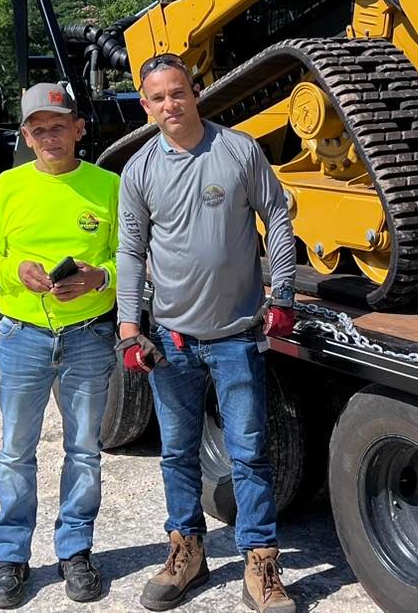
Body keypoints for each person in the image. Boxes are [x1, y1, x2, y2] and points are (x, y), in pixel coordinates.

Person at [116, 53, 298, 613]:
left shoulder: (237, 151)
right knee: (176, 453)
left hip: (238, 334)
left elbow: (279, 216)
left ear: (195, 92)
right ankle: (186, 550)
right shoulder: (140, 170)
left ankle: (260, 564)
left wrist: (283, 295)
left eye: (178, 92)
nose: (170, 105)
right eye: (157, 98)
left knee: (249, 454)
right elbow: (129, 250)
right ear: (145, 106)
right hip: (170, 343)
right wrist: (128, 327)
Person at [0, 82, 121, 609]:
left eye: (59, 126)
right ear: (26, 136)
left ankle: (75, 551)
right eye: (39, 129)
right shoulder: (8, 187)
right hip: (23, 337)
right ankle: (11, 556)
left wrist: (99, 278)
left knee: (84, 450)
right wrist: (16, 269)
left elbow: (133, 262)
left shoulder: (108, 186)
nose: (50, 136)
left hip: (88, 336)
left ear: (78, 129)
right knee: (16, 451)